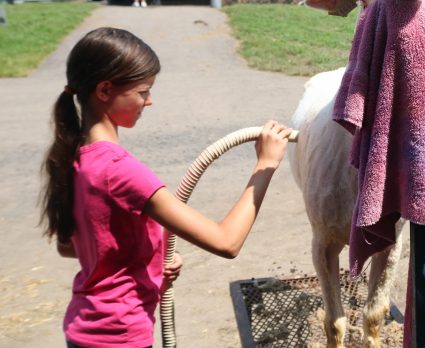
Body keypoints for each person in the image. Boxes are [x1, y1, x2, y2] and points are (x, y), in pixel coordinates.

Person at [39, 27, 292, 348]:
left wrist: (149, 258)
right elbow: (227, 242)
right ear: (104, 90)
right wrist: (265, 165)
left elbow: (71, 245)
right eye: (143, 91)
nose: (150, 100)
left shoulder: (73, 156)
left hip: (83, 328)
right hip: (120, 336)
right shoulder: (121, 170)